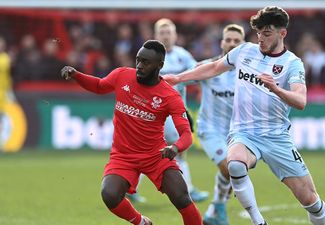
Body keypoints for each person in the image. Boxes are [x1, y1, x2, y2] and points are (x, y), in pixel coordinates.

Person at [164, 6, 325, 225]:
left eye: (267, 33)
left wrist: (277, 89)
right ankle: (257, 221)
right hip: (244, 133)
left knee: (310, 199)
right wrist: (178, 78)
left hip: (277, 137)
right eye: (259, 32)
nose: (261, 38)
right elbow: (213, 67)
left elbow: (301, 101)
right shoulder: (245, 52)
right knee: (234, 164)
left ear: (282, 33)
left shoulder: (292, 63)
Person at [60, 40, 203, 225]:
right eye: (138, 60)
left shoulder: (170, 96)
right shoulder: (122, 75)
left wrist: (175, 148)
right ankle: (142, 222)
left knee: (182, 199)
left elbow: (186, 135)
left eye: (146, 62)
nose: (139, 66)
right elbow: (99, 86)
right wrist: (76, 75)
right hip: (123, 156)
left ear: (160, 65)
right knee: (109, 195)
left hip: (155, 156)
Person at [127, 18, 209, 203]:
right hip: (152, 112)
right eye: (162, 33)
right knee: (150, 151)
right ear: (156, 36)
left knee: (176, 151)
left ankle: (131, 188)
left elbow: (198, 74)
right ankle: (186, 190)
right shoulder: (148, 54)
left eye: (169, 32)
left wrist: (192, 85)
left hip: (175, 112)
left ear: (175, 35)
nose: (166, 36)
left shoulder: (183, 55)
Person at [196, 24, 245, 225]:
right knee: (227, 169)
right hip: (210, 129)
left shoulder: (248, 71)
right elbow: (180, 81)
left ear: (243, 45)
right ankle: (219, 206)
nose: (232, 43)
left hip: (237, 132)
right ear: (222, 42)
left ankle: (212, 212)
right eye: (229, 39)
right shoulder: (208, 67)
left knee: (235, 172)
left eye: (237, 41)